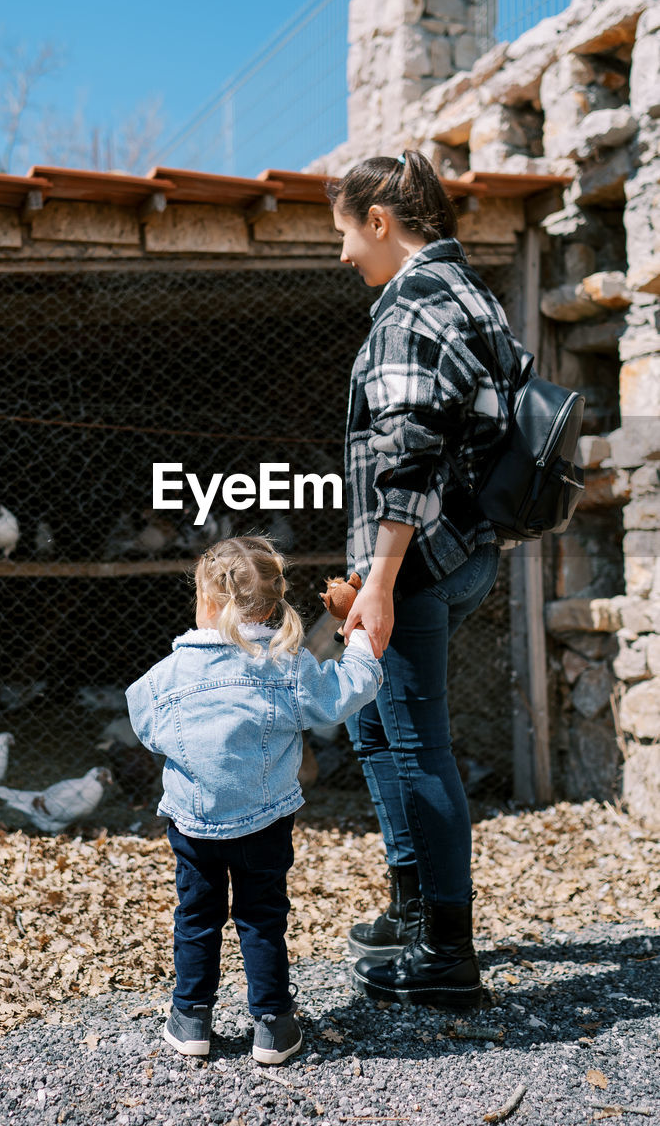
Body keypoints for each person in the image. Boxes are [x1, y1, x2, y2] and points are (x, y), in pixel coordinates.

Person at [328, 149, 526, 1010]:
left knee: (412, 746)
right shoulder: (475, 293)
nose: (342, 256)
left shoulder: (411, 304)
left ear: (379, 220)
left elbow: (407, 456)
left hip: (417, 562)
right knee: (379, 733)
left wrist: (378, 580)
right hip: (465, 551)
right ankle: (413, 909)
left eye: (343, 233)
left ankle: (445, 952)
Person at [126, 535, 383, 1064]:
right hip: (265, 823)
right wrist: (359, 640)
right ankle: (272, 1024)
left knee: (195, 916)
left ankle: (191, 1016)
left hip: (193, 824)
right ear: (273, 603)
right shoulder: (286, 669)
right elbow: (345, 693)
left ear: (208, 603)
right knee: (262, 917)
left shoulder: (167, 676)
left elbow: (144, 722)